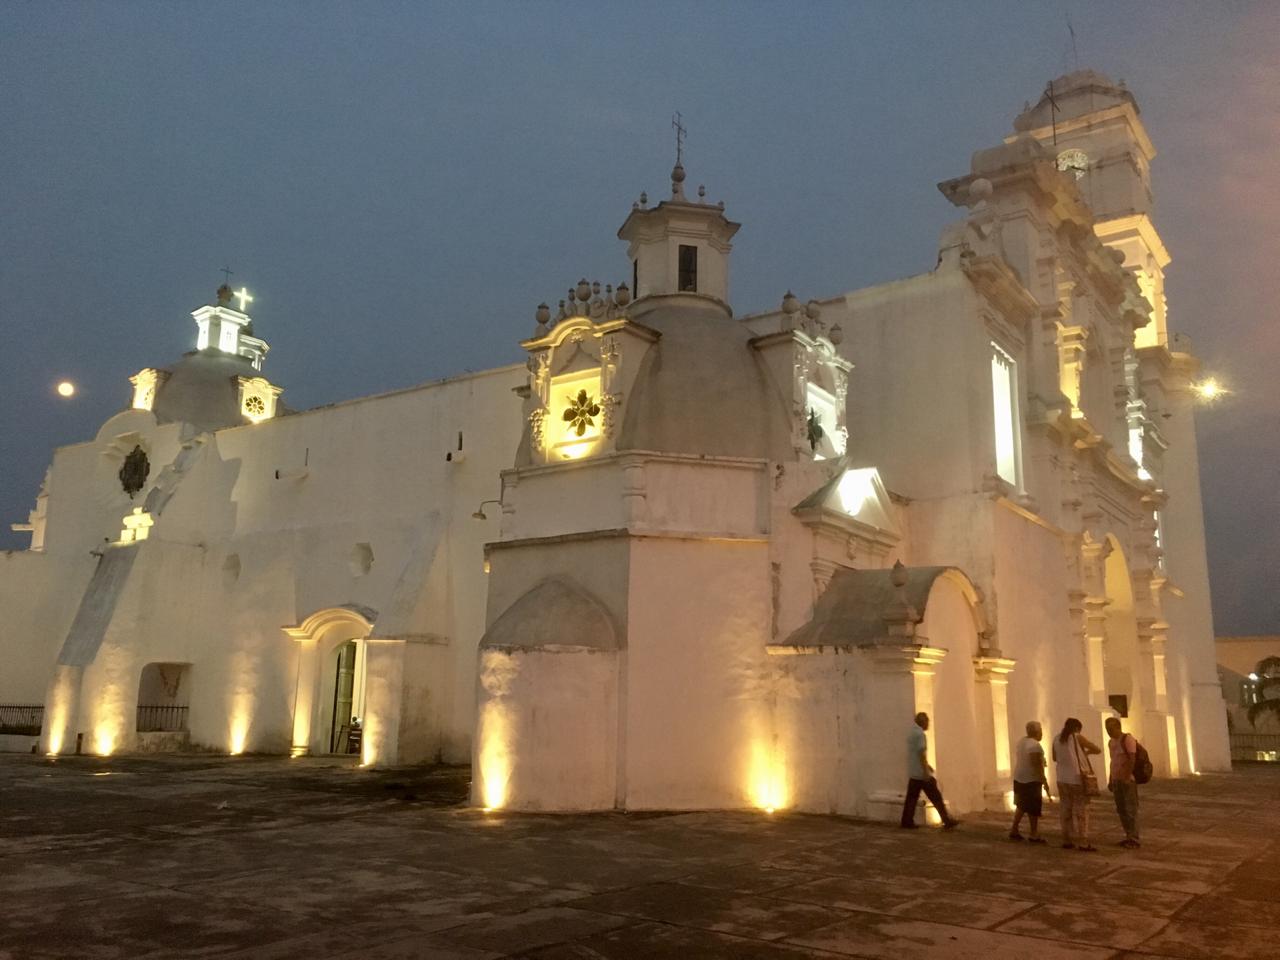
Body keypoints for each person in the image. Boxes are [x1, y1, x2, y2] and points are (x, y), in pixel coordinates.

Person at [900, 712, 960, 829]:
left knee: (911, 798)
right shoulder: (920, 735)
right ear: (923, 722)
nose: (929, 724)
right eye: (928, 722)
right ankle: (946, 820)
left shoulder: (911, 733)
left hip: (913, 772)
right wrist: (926, 771)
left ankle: (906, 821)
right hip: (921, 774)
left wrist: (927, 766)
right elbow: (921, 753)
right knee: (936, 797)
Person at [1051, 717, 1102, 852]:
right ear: (1077, 728)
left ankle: (1066, 839)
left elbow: (1054, 758)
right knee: (1082, 810)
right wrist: (1085, 753)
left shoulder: (1056, 739)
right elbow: (1097, 749)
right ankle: (1083, 841)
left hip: (1062, 778)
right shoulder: (1077, 737)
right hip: (1077, 778)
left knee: (1065, 808)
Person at [1010, 720, 1051, 843]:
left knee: (1021, 805)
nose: (1042, 734)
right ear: (1036, 732)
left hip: (1019, 777)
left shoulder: (1021, 741)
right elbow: (1035, 763)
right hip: (1031, 779)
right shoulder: (1034, 745)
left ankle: (1014, 829)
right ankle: (1033, 833)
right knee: (1033, 807)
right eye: (1041, 731)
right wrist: (1043, 779)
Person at [1106, 717, 1141, 848]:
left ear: (1117, 727)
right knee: (1121, 809)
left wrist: (1127, 776)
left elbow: (1132, 759)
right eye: (1107, 729)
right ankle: (1128, 835)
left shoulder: (1127, 739)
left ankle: (1134, 838)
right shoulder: (1111, 742)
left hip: (1127, 780)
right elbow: (1113, 761)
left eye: (1110, 728)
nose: (1108, 731)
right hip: (1116, 780)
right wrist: (1111, 778)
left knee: (1131, 809)